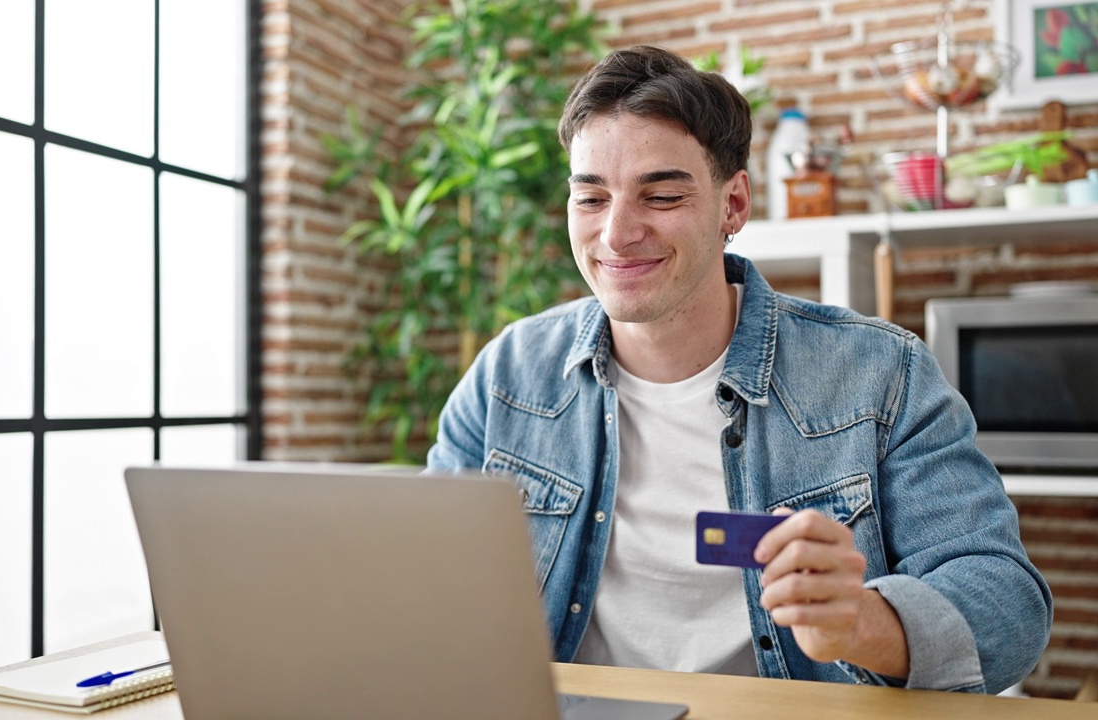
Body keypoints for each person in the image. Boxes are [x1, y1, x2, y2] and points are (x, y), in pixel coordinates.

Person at [427, 45, 1052, 693]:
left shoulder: (881, 373)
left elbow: (1008, 604)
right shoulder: (508, 374)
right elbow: (425, 574)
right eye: (590, 199)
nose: (615, 234)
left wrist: (864, 623)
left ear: (734, 206)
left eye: (661, 195)